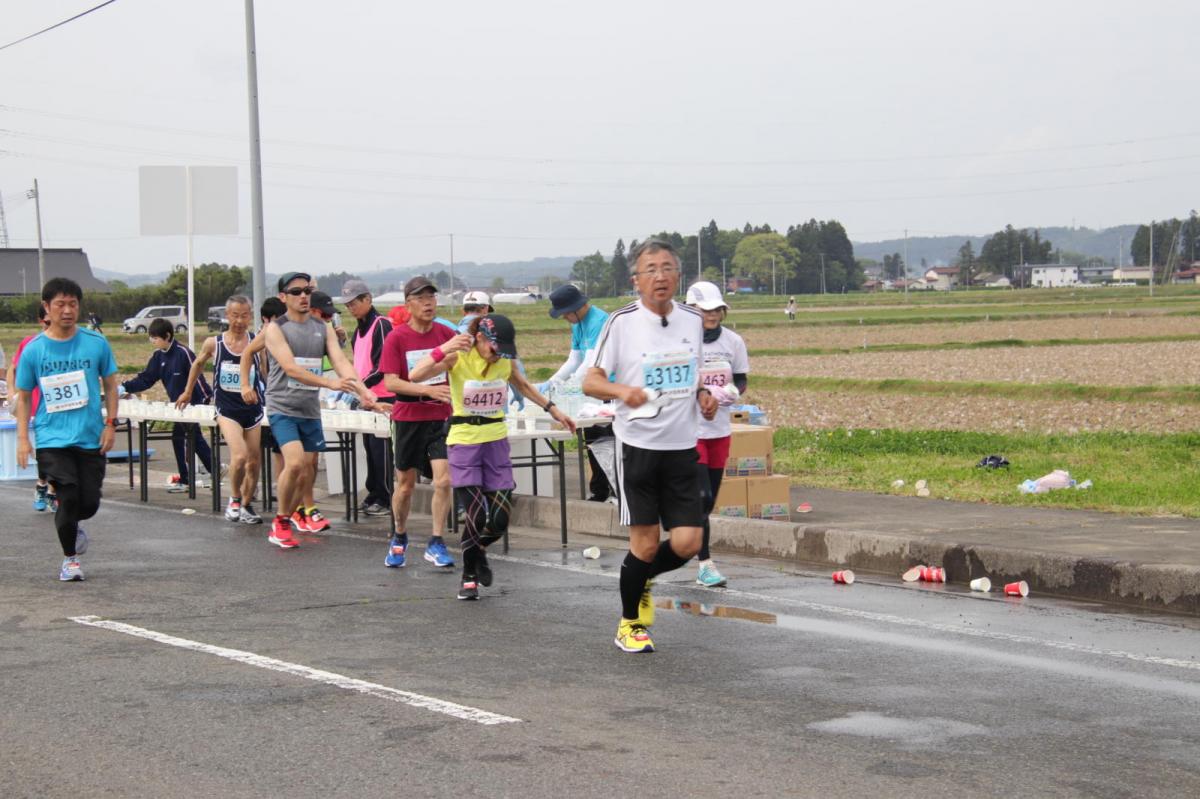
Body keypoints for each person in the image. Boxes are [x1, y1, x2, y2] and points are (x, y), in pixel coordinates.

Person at [582, 239, 717, 653]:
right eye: (651, 269)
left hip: (682, 448)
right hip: (637, 448)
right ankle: (629, 625)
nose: (660, 276)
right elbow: (591, 381)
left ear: (678, 275)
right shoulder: (621, 322)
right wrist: (623, 391)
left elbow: (692, 373)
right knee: (643, 543)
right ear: (636, 280)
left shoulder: (692, 320)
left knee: (688, 543)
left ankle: (642, 578)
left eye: (667, 268)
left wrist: (703, 395)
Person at [409, 313, 574, 600]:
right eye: (494, 348)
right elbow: (415, 375)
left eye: (504, 351)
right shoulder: (459, 356)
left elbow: (523, 386)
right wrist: (444, 348)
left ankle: (479, 549)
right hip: (464, 441)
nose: (498, 355)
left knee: (499, 518)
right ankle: (469, 576)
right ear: (480, 338)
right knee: (475, 514)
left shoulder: (504, 361)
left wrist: (554, 410)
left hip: (495, 441)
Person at [255, 272, 373, 548]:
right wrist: (330, 382)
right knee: (295, 462)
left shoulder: (322, 327)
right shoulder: (275, 329)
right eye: (296, 292)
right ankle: (281, 521)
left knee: (307, 470)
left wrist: (364, 391)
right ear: (283, 297)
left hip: (309, 408)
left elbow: (341, 361)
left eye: (307, 291)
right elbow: (291, 368)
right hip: (282, 406)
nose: (303, 296)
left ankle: (292, 515)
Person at [15, 278, 119, 581]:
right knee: (68, 495)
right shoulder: (34, 350)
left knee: (89, 503)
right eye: (60, 304)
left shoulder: (96, 343)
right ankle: (70, 560)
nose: (67, 310)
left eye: (73, 304)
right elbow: (24, 396)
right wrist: (23, 439)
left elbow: (111, 385)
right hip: (52, 437)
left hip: (90, 436)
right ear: (46, 308)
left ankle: (73, 523)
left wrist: (110, 424)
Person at [378, 276, 458, 570]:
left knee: (444, 480)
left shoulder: (446, 333)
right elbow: (391, 382)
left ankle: (436, 541)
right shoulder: (397, 338)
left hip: (440, 417)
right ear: (408, 304)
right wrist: (427, 389)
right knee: (406, 485)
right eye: (421, 298)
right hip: (408, 417)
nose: (428, 303)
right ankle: (399, 534)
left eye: (432, 298)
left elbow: (459, 362)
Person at [176, 295, 265, 524]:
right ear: (227, 316)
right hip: (227, 409)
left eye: (244, 315)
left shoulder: (256, 342)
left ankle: (246, 505)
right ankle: (234, 499)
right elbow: (197, 364)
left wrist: (269, 393)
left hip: (252, 409)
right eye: (235, 315)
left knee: (254, 461)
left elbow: (264, 371)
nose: (239, 321)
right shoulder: (214, 343)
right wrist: (187, 391)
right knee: (240, 456)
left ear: (250, 316)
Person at [685, 281, 750, 588]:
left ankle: (688, 533)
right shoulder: (683, 342)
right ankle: (705, 565)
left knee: (708, 502)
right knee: (702, 497)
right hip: (690, 430)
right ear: (690, 310)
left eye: (716, 310)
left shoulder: (733, 342)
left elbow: (741, 379)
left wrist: (728, 393)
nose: (711, 315)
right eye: (704, 310)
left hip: (720, 429)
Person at [119, 317, 214, 493]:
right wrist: (125, 387)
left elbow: (199, 377)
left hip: (193, 404)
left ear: (167, 336)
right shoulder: (158, 356)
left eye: (155, 338)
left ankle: (196, 476)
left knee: (187, 438)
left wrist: (205, 400)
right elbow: (146, 379)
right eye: (151, 337)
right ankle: (211, 471)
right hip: (177, 407)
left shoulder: (183, 353)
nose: (152, 341)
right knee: (186, 438)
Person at [540, 283, 615, 502]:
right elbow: (574, 359)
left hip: (607, 391)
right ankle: (600, 491)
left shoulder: (599, 322)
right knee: (593, 443)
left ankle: (615, 490)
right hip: (591, 393)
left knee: (607, 443)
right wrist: (552, 382)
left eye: (565, 313)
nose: (564, 318)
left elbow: (591, 362)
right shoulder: (577, 323)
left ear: (576, 308)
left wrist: (570, 385)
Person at [339, 279, 394, 517]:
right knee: (369, 449)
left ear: (368, 299)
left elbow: (382, 365)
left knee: (381, 451)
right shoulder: (358, 331)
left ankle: (386, 497)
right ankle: (374, 492)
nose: (351, 308)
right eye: (347, 305)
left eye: (354, 303)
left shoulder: (381, 324)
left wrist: (362, 388)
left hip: (383, 397)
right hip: (366, 397)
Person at [8, 305, 55, 511]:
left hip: (60, 408)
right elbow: (13, 369)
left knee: (58, 451)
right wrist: (12, 392)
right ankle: (42, 484)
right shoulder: (30, 343)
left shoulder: (69, 344)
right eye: (47, 322)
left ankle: (52, 491)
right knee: (44, 452)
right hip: (35, 405)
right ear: (40, 321)